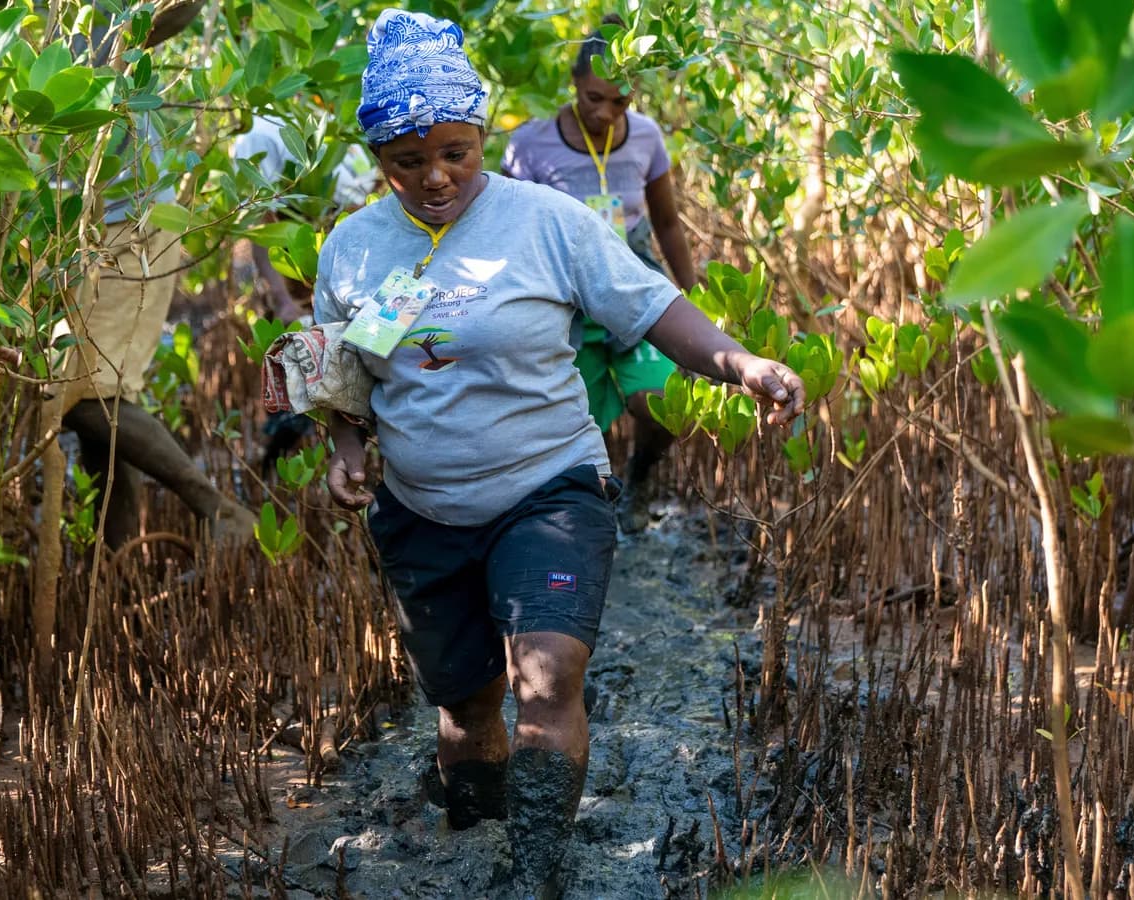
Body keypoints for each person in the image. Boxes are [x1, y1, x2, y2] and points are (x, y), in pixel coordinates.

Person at [314, 10, 804, 896]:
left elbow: (649, 307)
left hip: (549, 487)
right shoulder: (352, 248)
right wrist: (346, 450)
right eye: (408, 161)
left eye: (455, 153)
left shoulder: (548, 223)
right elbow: (342, 372)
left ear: (481, 134)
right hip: (423, 511)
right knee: (466, 714)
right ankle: (476, 822)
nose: (435, 177)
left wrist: (741, 364)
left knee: (545, 679)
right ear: (379, 157)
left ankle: (534, 874)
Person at [49, 0, 255, 549]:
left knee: (83, 396)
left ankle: (215, 508)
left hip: (124, 221)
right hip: (60, 218)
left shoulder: (98, 12)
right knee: (97, 395)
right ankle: (110, 562)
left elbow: (178, 12)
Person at [501, 14, 698, 533]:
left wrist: (695, 294)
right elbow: (506, 231)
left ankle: (638, 480)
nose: (607, 114)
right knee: (575, 423)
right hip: (565, 298)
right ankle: (589, 511)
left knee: (661, 402)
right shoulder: (529, 145)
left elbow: (667, 221)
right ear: (574, 84)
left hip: (633, 285)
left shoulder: (648, 137)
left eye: (621, 102)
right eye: (594, 99)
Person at [230, 112, 378, 473]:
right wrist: (283, 299)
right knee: (302, 394)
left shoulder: (340, 120)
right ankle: (279, 471)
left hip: (355, 282)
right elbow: (263, 228)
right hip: (301, 283)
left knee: (360, 381)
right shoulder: (261, 132)